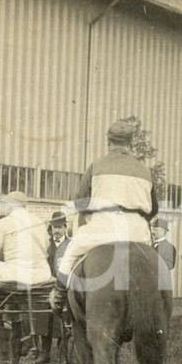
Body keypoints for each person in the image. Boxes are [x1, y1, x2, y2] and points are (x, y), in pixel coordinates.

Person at [51, 119, 159, 307]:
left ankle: (59, 295)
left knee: (70, 253)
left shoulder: (96, 166)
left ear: (108, 142)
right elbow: (154, 208)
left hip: (104, 227)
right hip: (137, 231)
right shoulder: (145, 171)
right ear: (131, 143)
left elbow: (80, 202)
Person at [34, 211, 72, 364]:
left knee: (61, 321)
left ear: (65, 228)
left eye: (59, 227)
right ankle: (44, 354)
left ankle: (62, 354)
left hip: (62, 288)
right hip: (45, 286)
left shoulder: (70, 245)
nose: (56, 231)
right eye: (54, 227)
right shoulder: (45, 245)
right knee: (45, 320)